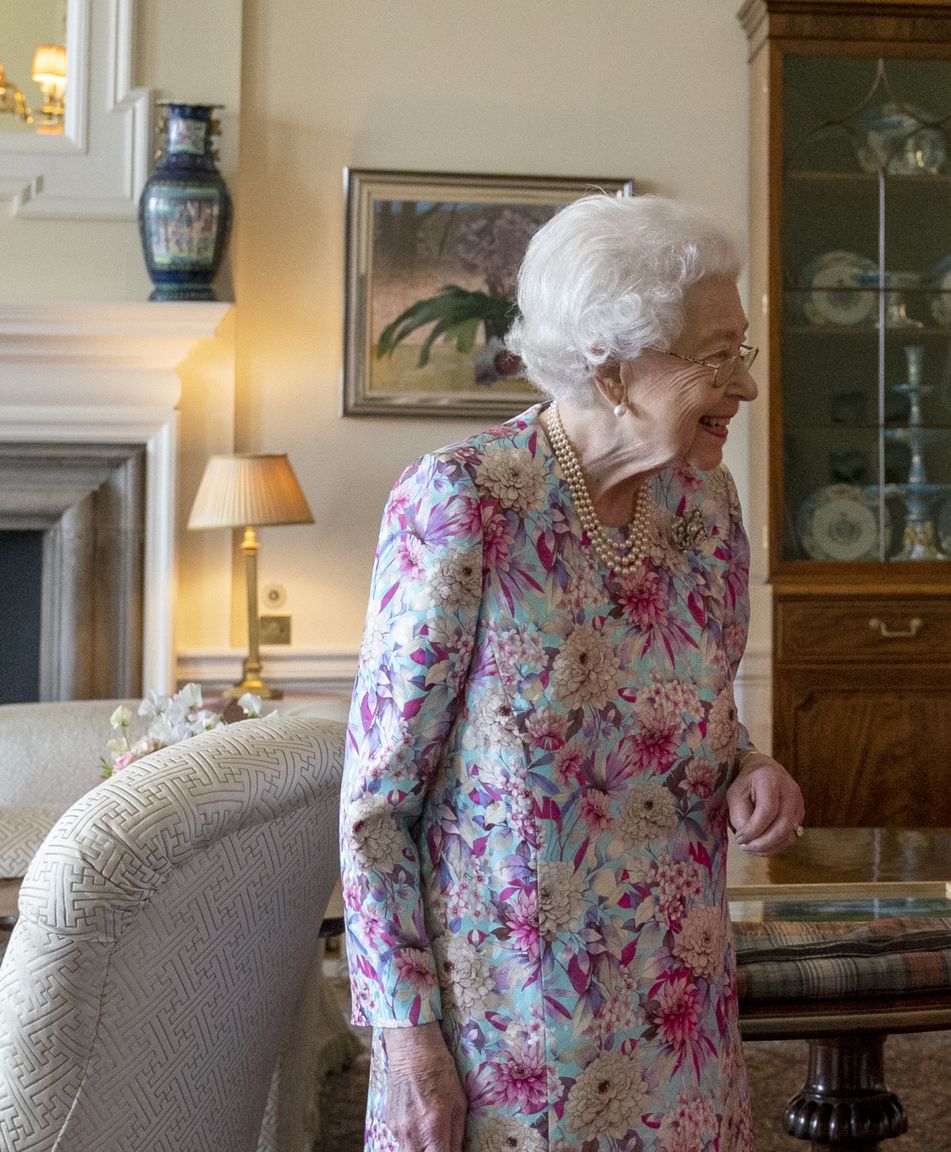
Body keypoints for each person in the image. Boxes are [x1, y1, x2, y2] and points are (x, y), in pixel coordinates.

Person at [339, 193, 804, 1152]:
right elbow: (377, 810)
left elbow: (701, 714)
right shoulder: (462, 502)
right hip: (507, 1039)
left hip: (680, 1018)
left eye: (741, 350)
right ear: (611, 364)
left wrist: (753, 768)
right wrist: (407, 1041)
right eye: (718, 358)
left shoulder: (707, 509)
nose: (746, 387)